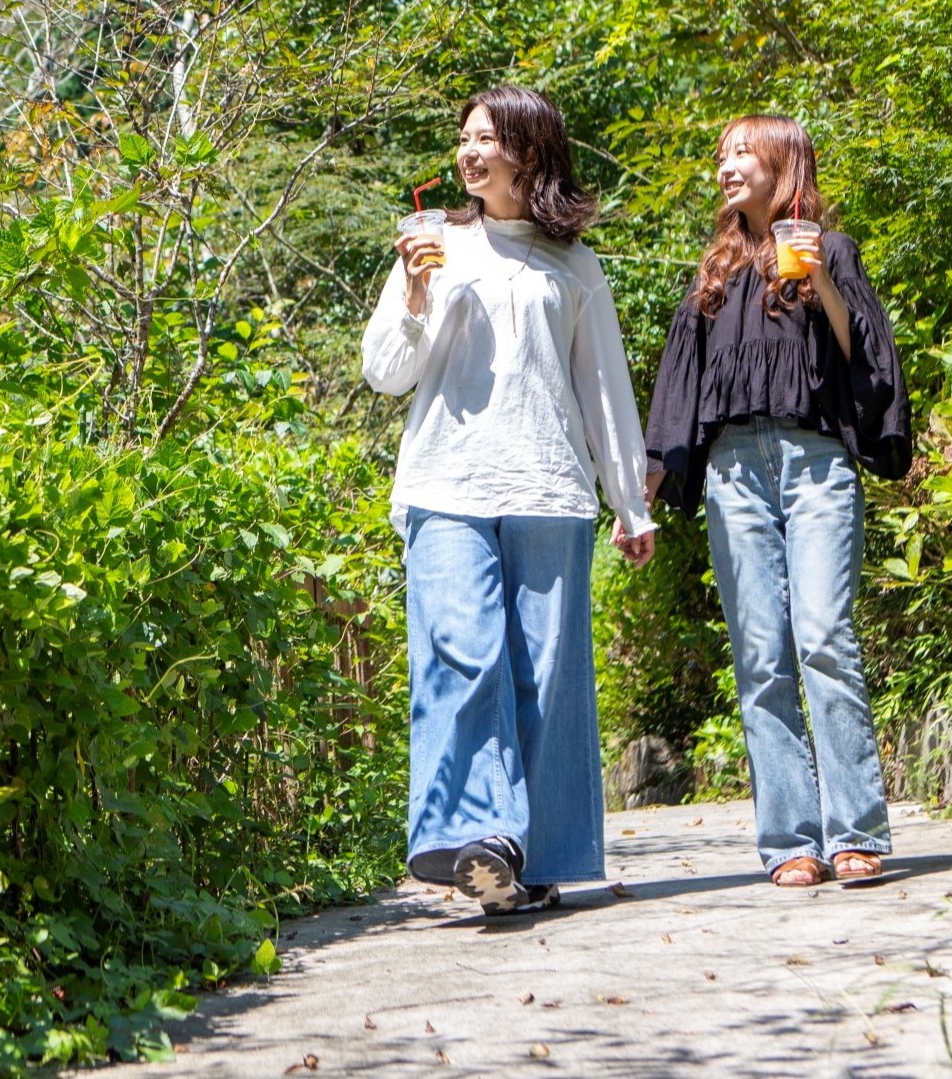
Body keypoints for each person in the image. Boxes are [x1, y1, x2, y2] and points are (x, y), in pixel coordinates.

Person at [361, 85, 657, 917]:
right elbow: (385, 372)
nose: (467, 151)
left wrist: (629, 501)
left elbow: (604, 388)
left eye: (485, 137)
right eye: (462, 138)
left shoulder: (575, 264)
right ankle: (483, 834)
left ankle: (532, 860)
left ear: (529, 151)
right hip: (443, 486)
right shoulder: (433, 244)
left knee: (546, 678)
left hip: (548, 486)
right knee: (464, 652)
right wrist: (417, 300)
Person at [642, 115, 911, 888]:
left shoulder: (834, 250)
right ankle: (790, 840)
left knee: (824, 633)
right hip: (734, 470)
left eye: (740, 155)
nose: (725, 167)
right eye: (721, 156)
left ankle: (856, 828)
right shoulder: (716, 272)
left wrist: (820, 275)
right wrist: (646, 493)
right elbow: (678, 387)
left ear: (782, 164)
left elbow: (868, 356)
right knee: (761, 654)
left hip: (816, 459)